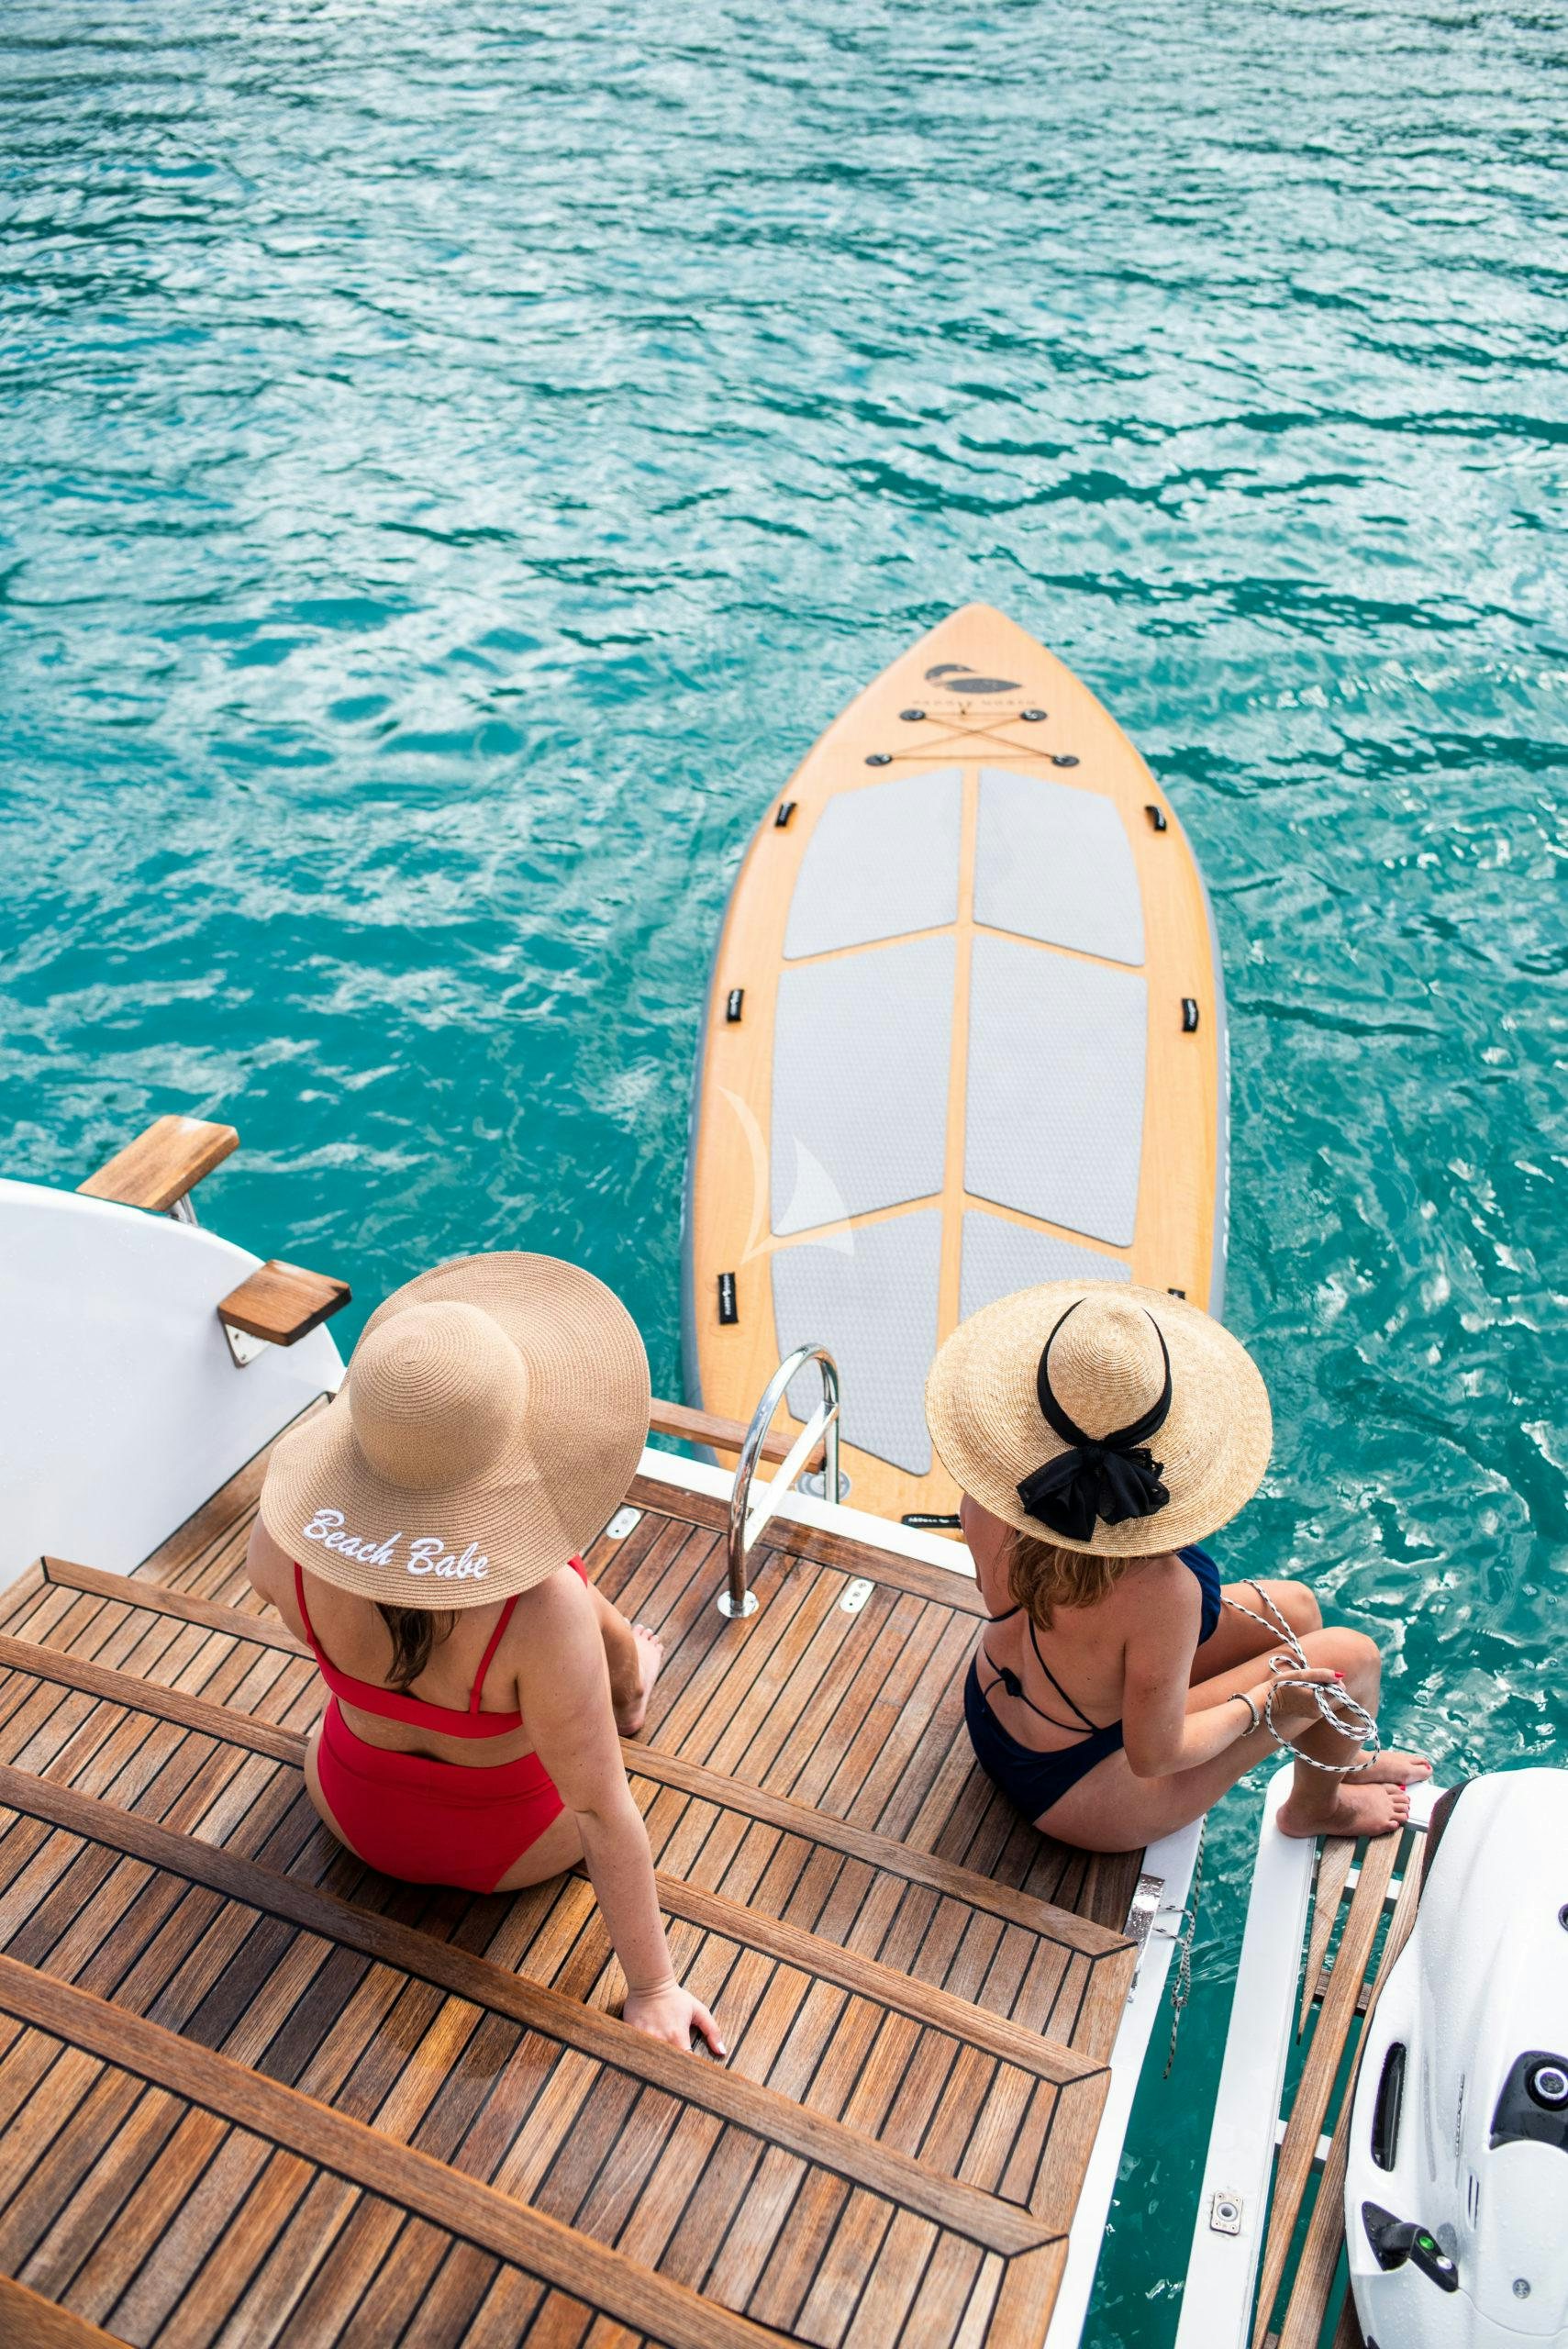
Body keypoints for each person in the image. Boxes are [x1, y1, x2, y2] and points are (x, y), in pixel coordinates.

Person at [247, 1250, 724, 2057]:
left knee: (549, 1594)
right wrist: (652, 1988)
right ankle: (630, 1679)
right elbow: (601, 1810)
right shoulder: (540, 1614)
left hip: (351, 1810)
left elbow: (385, 1600)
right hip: (510, 1852)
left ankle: (624, 1669)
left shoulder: (288, 1545)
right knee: (553, 1586)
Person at [924, 1282, 1429, 1852]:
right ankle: (1317, 1806)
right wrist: (1266, 1702)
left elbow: (1011, 1602)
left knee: (1296, 1608)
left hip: (997, 1703)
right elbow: (1154, 1755)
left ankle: (1336, 1755)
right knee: (1352, 1662)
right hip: (1074, 1791)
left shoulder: (988, 1499)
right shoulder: (1161, 1591)